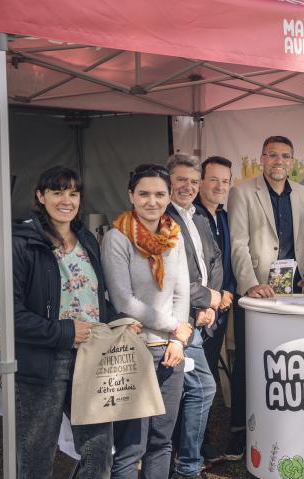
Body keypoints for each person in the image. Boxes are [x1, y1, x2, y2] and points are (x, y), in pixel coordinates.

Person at [0, 166, 116, 479]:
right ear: (40, 196)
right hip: (43, 363)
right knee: (37, 456)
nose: (66, 200)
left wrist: (118, 323)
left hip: (90, 360)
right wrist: (62, 331)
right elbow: (4, 315)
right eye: (57, 192)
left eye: (73, 193)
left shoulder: (87, 240)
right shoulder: (21, 243)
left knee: (99, 453)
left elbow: (93, 300)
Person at [227, 135, 304, 458]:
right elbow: (238, 244)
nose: (278, 161)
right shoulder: (242, 192)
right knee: (248, 361)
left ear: (292, 161)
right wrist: (250, 284)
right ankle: (240, 430)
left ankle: (288, 425)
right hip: (258, 295)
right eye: (272, 155)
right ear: (262, 159)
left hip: (297, 292)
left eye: (285, 156)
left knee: (292, 361)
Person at [103, 164, 191, 479]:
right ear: (131, 195)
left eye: (159, 194)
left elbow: (182, 293)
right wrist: (175, 327)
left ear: (169, 197)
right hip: (134, 351)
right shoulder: (116, 238)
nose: (151, 201)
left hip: (171, 351)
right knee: (130, 447)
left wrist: (179, 340)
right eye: (144, 194)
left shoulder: (174, 238)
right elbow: (123, 300)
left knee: (162, 441)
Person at [165, 154, 223, 479]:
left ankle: (186, 466)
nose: (188, 186)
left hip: (197, 320)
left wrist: (210, 305)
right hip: (176, 323)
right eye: (181, 180)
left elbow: (214, 261)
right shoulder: (162, 218)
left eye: (194, 180)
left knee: (200, 389)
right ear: (168, 182)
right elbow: (173, 278)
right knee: (198, 389)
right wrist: (205, 300)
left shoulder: (199, 217)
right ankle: (185, 466)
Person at [193, 155, 237, 461]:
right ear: (200, 182)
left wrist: (228, 293)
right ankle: (192, 450)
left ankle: (203, 447)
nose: (220, 186)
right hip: (197, 313)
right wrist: (208, 300)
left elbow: (228, 263)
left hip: (219, 311)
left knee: (206, 381)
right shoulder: (190, 217)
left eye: (225, 181)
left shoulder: (222, 216)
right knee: (197, 385)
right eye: (214, 179)